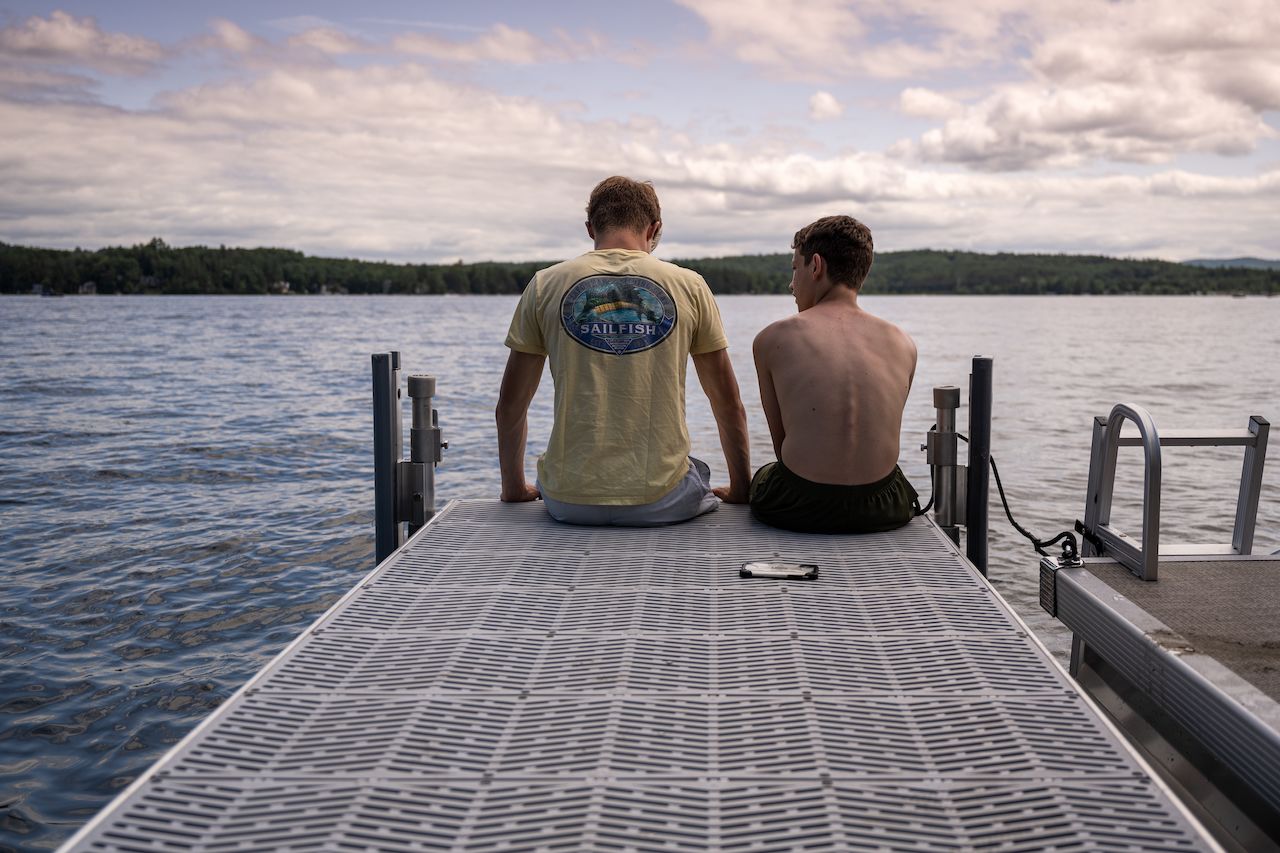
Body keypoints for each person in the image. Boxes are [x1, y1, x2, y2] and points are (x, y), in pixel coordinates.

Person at [496, 175, 751, 525]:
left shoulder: (545, 284)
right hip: (662, 501)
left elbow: (511, 406)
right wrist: (741, 488)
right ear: (654, 228)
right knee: (697, 469)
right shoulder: (689, 285)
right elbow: (727, 402)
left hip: (568, 503)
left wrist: (513, 488)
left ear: (590, 228)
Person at [749, 215, 919, 533]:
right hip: (883, 507)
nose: (791, 284)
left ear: (816, 266)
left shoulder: (773, 339)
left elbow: (783, 450)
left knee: (764, 475)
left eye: (794, 269)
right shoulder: (903, 342)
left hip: (797, 505)